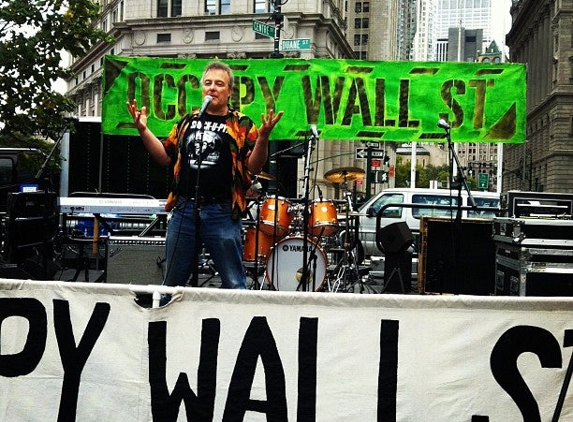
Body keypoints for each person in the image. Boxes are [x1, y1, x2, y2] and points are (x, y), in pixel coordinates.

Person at [126, 61, 283, 290]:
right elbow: (165, 156)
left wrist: (263, 138)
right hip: (184, 210)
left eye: (219, 84)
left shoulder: (240, 123)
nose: (212, 88)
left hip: (221, 212)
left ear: (229, 91)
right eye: (208, 83)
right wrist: (143, 130)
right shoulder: (189, 121)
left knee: (234, 283)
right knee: (172, 283)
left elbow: (254, 168)